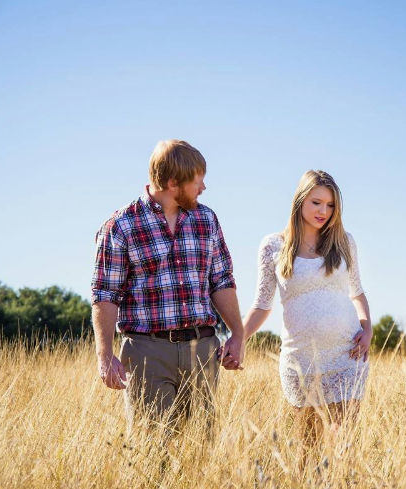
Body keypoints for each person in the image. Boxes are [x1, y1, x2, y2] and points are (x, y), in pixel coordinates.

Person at [90, 139, 245, 432]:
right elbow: (105, 295)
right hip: (148, 351)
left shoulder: (206, 219)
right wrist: (105, 356)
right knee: (152, 451)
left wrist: (238, 334)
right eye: (198, 181)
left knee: (201, 450)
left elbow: (222, 281)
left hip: (202, 349)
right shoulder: (121, 225)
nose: (203, 188)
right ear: (173, 183)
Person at [243, 170, 372, 444]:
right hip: (300, 361)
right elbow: (262, 304)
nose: (324, 211)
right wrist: (238, 339)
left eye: (330, 205)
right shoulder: (273, 246)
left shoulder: (345, 242)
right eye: (316, 202)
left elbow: (357, 292)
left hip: (346, 356)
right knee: (308, 450)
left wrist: (368, 328)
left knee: (343, 446)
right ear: (300, 200)